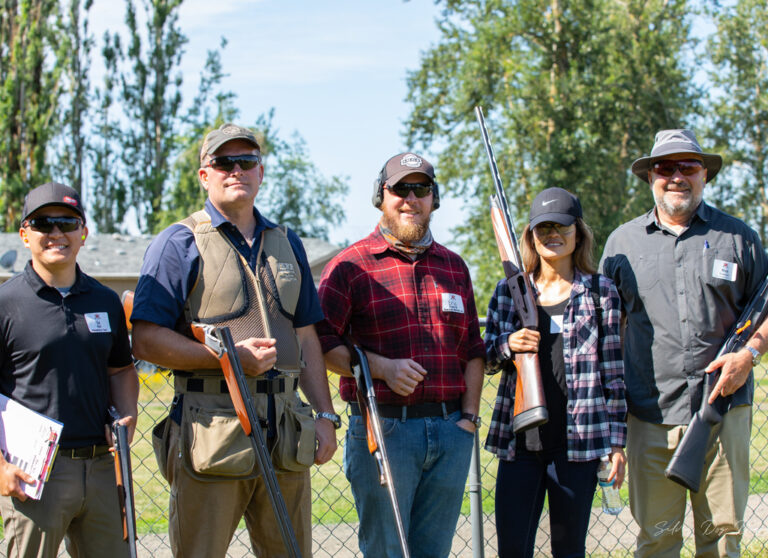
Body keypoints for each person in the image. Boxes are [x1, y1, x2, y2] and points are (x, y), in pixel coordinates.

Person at [130, 123, 338, 558]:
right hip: (211, 430)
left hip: (286, 431)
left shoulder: (287, 242)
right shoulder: (178, 242)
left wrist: (324, 415)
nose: (236, 170)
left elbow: (306, 334)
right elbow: (146, 340)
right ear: (204, 175)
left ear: (261, 173)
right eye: (224, 162)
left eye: (247, 161)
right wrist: (227, 360)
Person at [600, 129, 768, 557]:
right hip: (648, 416)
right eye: (665, 167)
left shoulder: (740, 238)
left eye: (688, 166)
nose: (676, 176)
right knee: (657, 540)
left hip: (723, 409)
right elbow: (605, 331)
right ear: (651, 177)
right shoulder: (621, 244)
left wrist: (749, 354)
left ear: (704, 175)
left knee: (722, 541)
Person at [316, 152, 485, 558]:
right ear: (381, 196)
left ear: (433, 199)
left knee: (434, 553)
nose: (411, 198)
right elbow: (319, 344)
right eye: (400, 189)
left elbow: (474, 349)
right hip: (384, 431)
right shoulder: (349, 266)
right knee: (387, 552)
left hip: (450, 432)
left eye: (421, 188)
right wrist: (381, 368)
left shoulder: (454, 266)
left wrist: (469, 419)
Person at [484, 187, 627, 558]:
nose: (553, 235)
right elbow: (484, 357)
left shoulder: (600, 292)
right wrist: (508, 344)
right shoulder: (508, 292)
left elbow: (613, 373)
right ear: (531, 235)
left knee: (569, 550)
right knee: (512, 550)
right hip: (520, 444)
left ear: (578, 232)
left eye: (562, 226)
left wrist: (616, 444)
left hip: (578, 445)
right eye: (543, 227)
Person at [0, 182, 139, 558]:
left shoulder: (105, 300)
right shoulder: (6, 303)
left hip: (101, 469)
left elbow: (120, 370)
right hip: (35, 473)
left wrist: (128, 417)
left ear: (83, 233)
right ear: (25, 233)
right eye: (44, 223)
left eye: (67, 222)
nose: (56, 233)